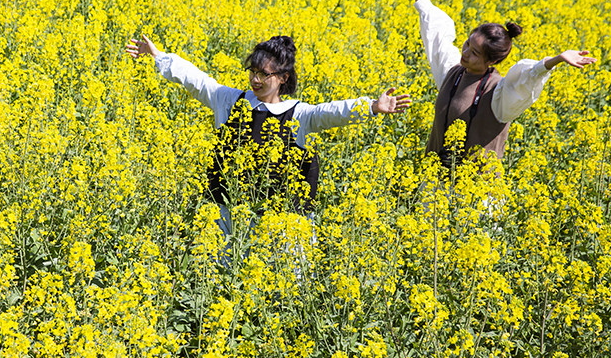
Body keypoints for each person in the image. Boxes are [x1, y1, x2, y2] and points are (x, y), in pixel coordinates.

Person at [125, 35, 411, 235]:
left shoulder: (299, 115)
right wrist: (159, 56)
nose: (256, 80)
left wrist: (373, 107)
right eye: (253, 71)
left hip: (282, 223)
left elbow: (331, 113)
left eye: (264, 74)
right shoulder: (231, 101)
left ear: (283, 78)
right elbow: (198, 82)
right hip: (228, 212)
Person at [391, 0, 596, 166]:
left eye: (475, 53)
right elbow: (436, 34)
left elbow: (526, 80)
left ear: (491, 61)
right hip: (435, 183)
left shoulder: (498, 94)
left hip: (474, 192)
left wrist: (555, 60)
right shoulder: (453, 73)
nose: (465, 53)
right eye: (467, 44)